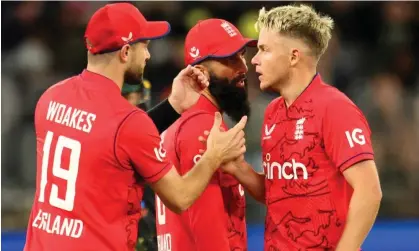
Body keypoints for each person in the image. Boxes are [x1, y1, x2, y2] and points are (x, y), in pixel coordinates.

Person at [24, 3, 248, 251]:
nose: (149, 56)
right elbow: (180, 197)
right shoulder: (127, 120)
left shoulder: (51, 97)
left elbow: (109, 138)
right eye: (146, 47)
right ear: (126, 52)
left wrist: (173, 106)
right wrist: (214, 156)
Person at [214, 4, 382, 251]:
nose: (255, 60)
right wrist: (237, 168)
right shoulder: (273, 112)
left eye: (264, 50)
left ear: (293, 56)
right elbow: (281, 192)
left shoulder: (334, 108)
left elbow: (369, 191)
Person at [155, 18, 256, 251]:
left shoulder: (179, 120)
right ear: (201, 71)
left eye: (242, 55)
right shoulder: (201, 128)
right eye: (230, 60)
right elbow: (206, 228)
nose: (243, 67)